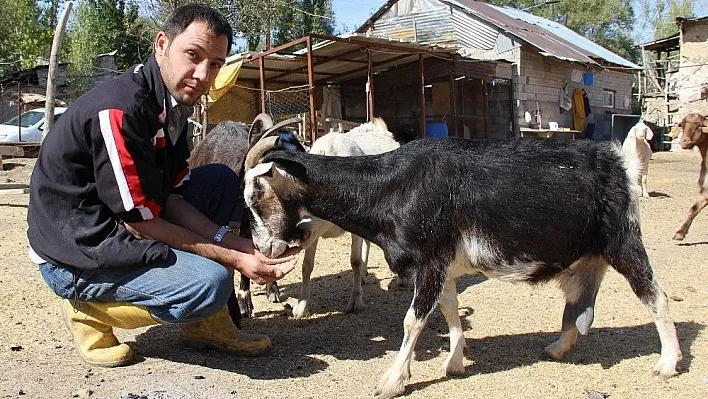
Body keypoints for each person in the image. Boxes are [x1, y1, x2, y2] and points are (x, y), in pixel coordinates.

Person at [26, 4, 299, 367]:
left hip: (118, 223)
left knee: (218, 180)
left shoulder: (171, 108)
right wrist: (233, 258)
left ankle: (202, 325)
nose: (203, 74)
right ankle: (88, 310)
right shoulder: (120, 112)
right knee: (210, 285)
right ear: (161, 44)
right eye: (193, 54)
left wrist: (239, 244)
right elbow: (140, 222)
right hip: (78, 248)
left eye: (215, 64)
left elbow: (171, 198)